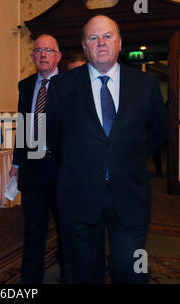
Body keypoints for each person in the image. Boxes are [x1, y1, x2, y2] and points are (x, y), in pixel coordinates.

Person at [46, 15, 167, 284]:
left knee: (130, 270)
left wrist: (123, 158)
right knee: (83, 274)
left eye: (108, 36)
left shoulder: (145, 85)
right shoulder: (61, 87)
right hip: (79, 196)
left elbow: (157, 134)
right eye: (93, 37)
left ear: (120, 43)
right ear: (85, 46)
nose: (101, 42)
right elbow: (54, 139)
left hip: (130, 195)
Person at [9, 34, 64, 283]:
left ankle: (70, 275)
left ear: (58, 56)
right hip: (32, 169)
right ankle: (30, 283)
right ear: (32, 56)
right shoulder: (26, 85)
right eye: (38, 50)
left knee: (67, 229)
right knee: (33, 231)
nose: (43, 54)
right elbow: (23, 127)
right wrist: (16, 163)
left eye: (49, 50)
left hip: (63, 170)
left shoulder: (71, 84)